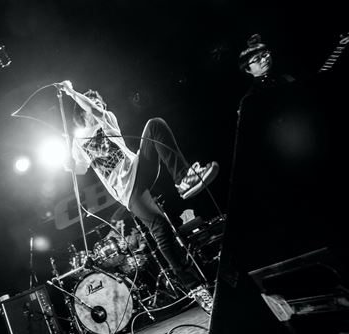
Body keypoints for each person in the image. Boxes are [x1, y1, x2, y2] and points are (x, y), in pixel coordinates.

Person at [57, 80, 217, 313]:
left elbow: (95, 110)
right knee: (160, 227)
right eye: (94, 101)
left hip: (139, 168)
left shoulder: (106, 118)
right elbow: (78, 169)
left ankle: (183, 178)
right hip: (128, 191)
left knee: (154, 125)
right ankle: (196, 288)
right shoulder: (78, 142)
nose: (100, 104)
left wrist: (71, 91)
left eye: (100, 101)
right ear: (80, 113)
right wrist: (66, 156)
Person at [238, 34, 295, 105]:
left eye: (265, 55)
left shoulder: (287, 78)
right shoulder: (250, 98)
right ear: (247, 69)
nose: (264, 60)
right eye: (256, 59)